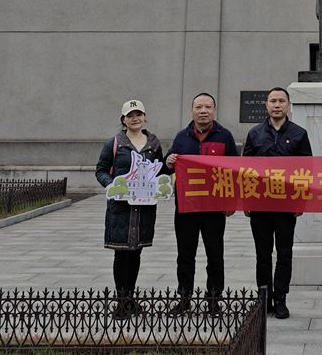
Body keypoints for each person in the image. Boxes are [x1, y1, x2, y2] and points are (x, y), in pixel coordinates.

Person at [165, 92, 239, 315]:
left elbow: (235, 171)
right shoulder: (181, 137)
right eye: (199, 107)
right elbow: (165, 166)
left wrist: (232, 201)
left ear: (214, 110)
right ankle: (184, 298)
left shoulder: (225, 136)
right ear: (192, 111)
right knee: (185, 255)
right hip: (186, 207)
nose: (203, 111)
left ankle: (214, 299)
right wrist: (168, 162)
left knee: (215, 255)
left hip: (214, 207)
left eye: (208, 107)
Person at [242, 87, 312, 319]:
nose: (277, 105)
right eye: (273, 101)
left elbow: (307, 170)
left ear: (288, 105)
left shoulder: (299, 133)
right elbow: (244, 170)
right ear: (266, 105)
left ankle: (280, 298)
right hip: (259, 205)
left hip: (286, 205)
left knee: (284, 253)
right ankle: (264, 298)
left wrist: (301, 201)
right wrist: (245, 200)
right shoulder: (255, 133)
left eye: (282, 101)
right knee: (262, 254)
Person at [95, 100, 167, 318]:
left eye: (139, 114)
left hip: (144, 208)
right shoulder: (115, 143)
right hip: (121, 207)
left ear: (144, 117)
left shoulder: (153, 143)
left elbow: (159, 171)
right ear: (123, 119)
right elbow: (101, 170)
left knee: (136, 253)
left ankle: (130, 299)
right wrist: (111, 185)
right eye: (130, 115)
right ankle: (121, 301)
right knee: (122, 254)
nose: (135, 118)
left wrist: (169, 168)